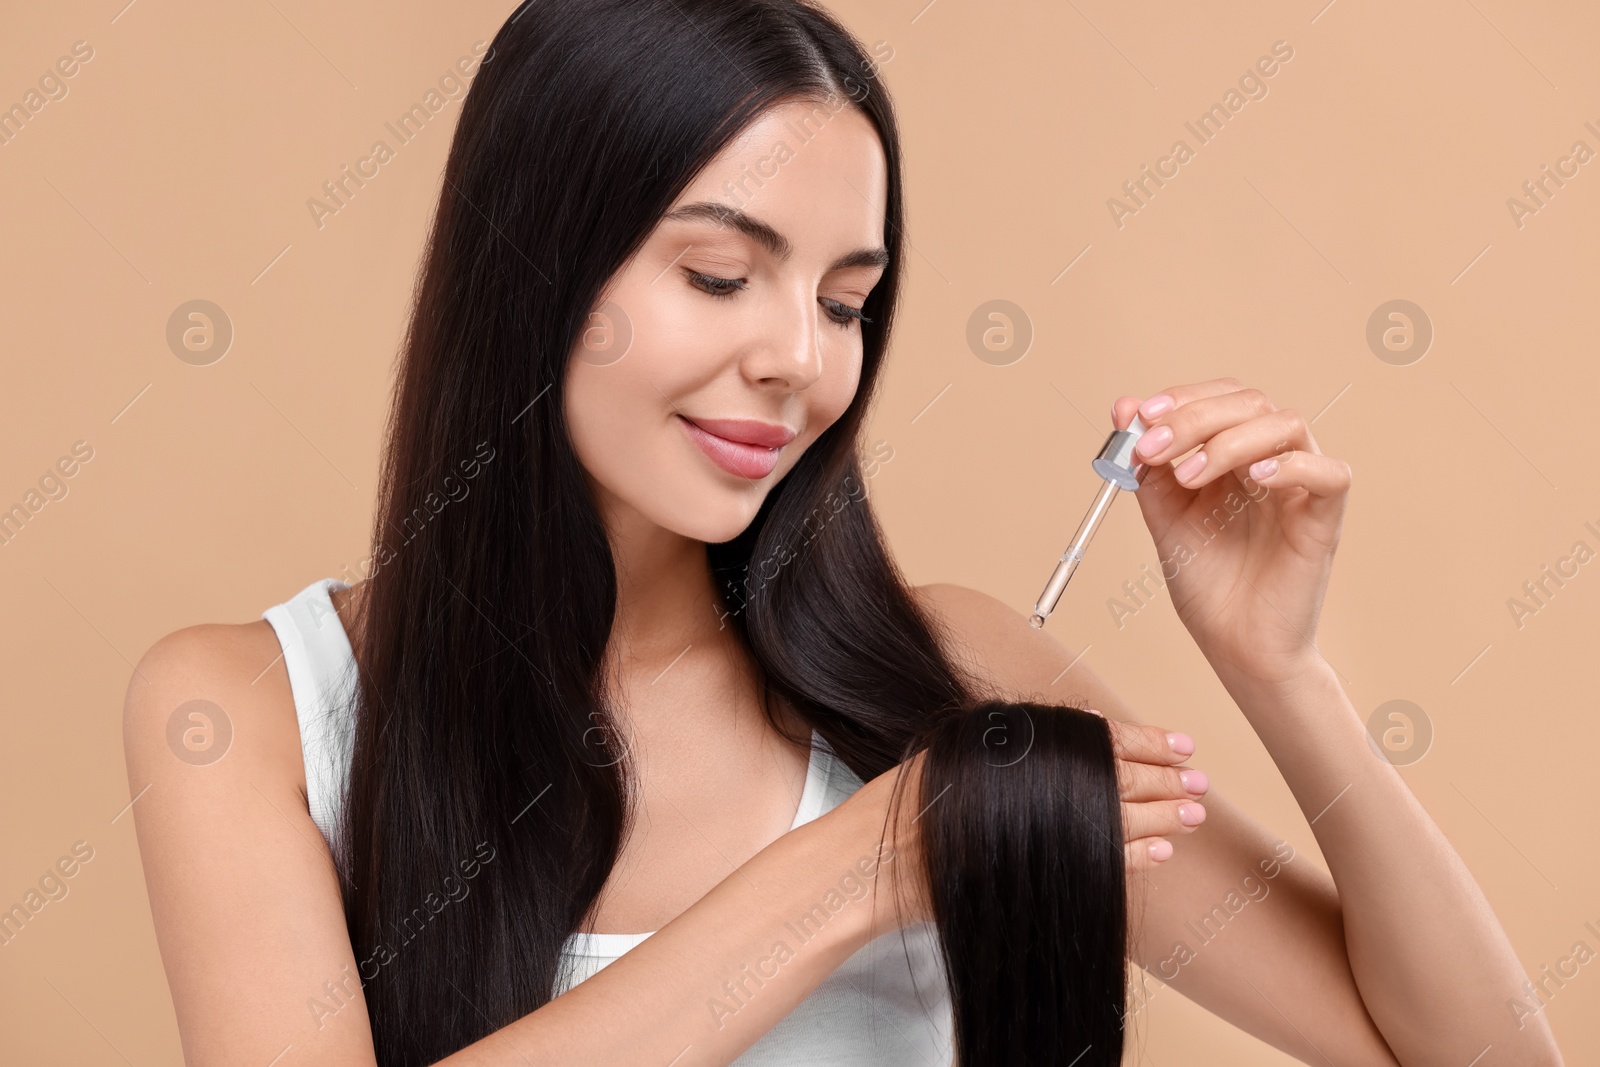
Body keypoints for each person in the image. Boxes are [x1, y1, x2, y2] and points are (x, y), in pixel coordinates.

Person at [120, 1, 1562, 1064]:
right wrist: (869, 862)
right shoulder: (246, 709)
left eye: (843, 300)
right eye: (720, 273)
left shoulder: (960, 669)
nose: (798, 363)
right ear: (531, 268)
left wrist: (1281, 676)